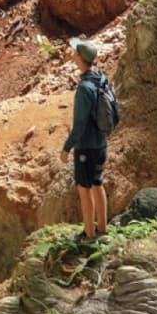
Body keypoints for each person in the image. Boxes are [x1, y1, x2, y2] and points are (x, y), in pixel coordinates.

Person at [60, 37, 109, 244]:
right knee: (98, 183)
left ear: (80, 57)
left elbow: (79, 124)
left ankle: (89, 235)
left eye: (75, 52)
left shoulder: (84, 88)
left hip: (86, 147)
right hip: (101, 143)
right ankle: (102, 229)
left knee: (84, 188)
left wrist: (67, 148)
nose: (73, 55)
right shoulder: (101, 78)